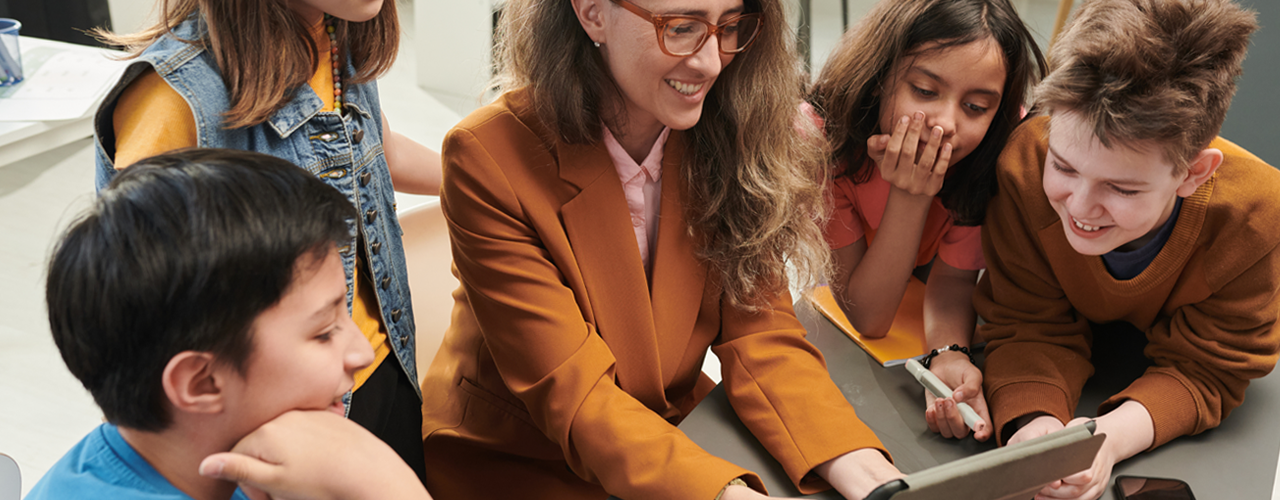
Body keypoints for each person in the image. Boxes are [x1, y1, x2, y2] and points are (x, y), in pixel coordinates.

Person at [419, 0, 905, 497]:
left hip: (669, 435)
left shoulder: (727, 130)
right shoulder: (486, 157)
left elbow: (762, 333)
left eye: (730, 26)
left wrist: (865, 472)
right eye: (681, 27)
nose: (713, 61)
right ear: (591, 13)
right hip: (521, 461)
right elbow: (577, 397)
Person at [974, 1, 1280, 499]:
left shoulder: (1259, 216)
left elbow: (1209, 368)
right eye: (1064, 167)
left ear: (1194, 173)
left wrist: (1106, 441)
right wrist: (1035, 427)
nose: (1080, 207)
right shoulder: (1025, 162)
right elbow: (1026, 322)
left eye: (1123, 190)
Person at [90, 0, 435, 477]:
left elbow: (377, 148)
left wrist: (485, 174)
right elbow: (140, 308)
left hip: (384, 367)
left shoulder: (333, 34)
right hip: (282, 418)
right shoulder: (174, 98)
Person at [28, 149, 428, 500]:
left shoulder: (184, 451)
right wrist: (385, 484)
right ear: (201, 382)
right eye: (323, 332)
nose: (361, 352)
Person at [806, 0, 1045, 443]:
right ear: (880, 78)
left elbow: (954, 280)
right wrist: (911, 195)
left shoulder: (994, 151)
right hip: (855, 284)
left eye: (975, 107)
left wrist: (949, 353)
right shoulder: (824, 142)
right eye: (925, 91)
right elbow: (869, 317)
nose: (945, 123)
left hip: (934, 285)